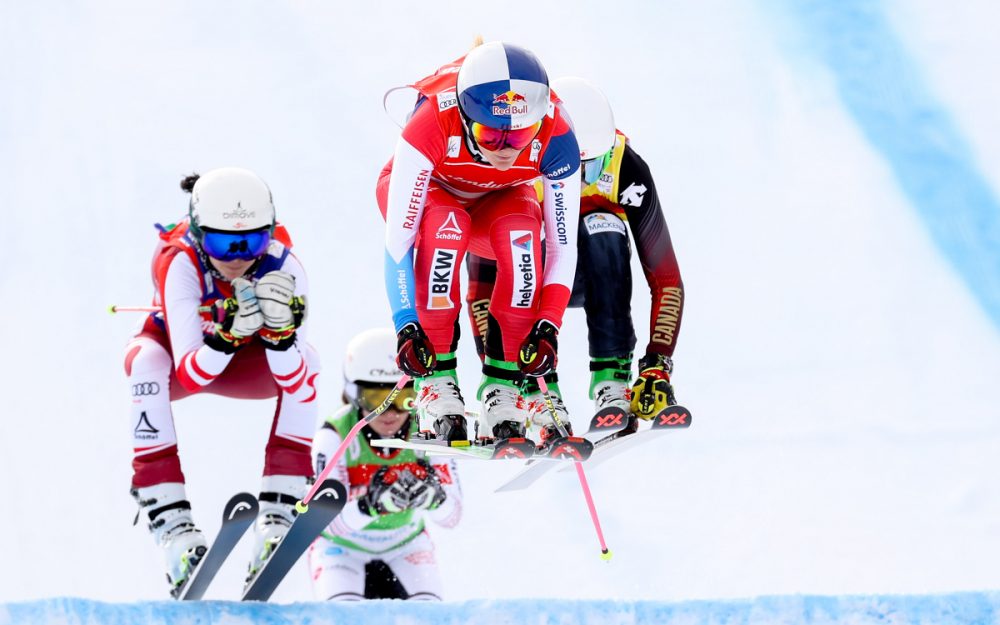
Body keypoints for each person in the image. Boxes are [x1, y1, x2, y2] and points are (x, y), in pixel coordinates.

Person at [125, 167, 319, 593]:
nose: (237, 256)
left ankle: (278, 513)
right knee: (143, 359)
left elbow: (299, 384)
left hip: (246, 361)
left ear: (270, 234)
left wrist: (282, 339)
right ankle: (173, 528)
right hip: (188, 358)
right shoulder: (180, 262)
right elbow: (191, 375)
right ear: (197, 235)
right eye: (221, 242)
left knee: (311, 360)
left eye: (252, 241)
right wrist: (227, 338)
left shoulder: (285, 265)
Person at [378, 40, 582, 446]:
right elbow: (400, 240)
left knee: (523, 236)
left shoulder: (557, 132)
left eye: (521, 135)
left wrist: (549, 325)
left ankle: (502, 390)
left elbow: (562, 247)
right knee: (444, 226)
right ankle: (436, 386)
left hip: (496, 207)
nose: (506, 149)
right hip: (433, 198)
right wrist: (406, 325)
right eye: (490, 135)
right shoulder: (432, 122)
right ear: (467, 117)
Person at [466, 77, 685, 434]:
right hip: (534, 279)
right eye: (568, 165)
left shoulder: (626, 168)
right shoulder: (517, 164)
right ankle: (540, 389)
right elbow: (480, 287)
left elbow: (666, 279)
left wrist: (657, 364)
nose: (575, 178)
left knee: (603, 226)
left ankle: (612, 383)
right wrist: (501, 371)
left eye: (589, 168)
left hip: (592, 276)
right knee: (524, 232)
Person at [308, 328, 462, 601]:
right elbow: (327, 524)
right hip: (342, 549)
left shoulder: (431, 430)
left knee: (430, 616)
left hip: (406, 544)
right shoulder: (334, 436)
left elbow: (452, 517)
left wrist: (434, 497)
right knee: (343, 616)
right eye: (376, 399)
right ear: (353, 393)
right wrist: (372, 505)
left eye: (403, 399)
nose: (390, 413)